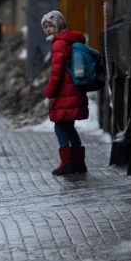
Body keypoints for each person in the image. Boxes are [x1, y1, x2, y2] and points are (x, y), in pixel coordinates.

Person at [41, 10, 89, 176]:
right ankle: (78, 162)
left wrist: (49, 94)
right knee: (69, 127)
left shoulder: (59, 44)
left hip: (64, 92)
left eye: (51, 26)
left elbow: (57, 73)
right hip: (73, 90)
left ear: (59, 25)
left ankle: (66, 162)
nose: (48, 29)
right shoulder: (70, 40)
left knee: (60, 127)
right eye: (45, 26)